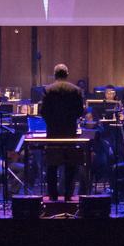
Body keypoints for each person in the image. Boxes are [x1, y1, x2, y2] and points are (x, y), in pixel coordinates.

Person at [40, 64, 86, 200]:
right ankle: (68, 195)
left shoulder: (48, 90)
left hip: (53, 132)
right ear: (67, 74)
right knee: (70, 165)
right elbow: (80, 111)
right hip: (69, 132)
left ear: (55, 74)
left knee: (52, 165)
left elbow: (43, 111)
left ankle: (53, 196)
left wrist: (52, 122)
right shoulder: (76, 90)